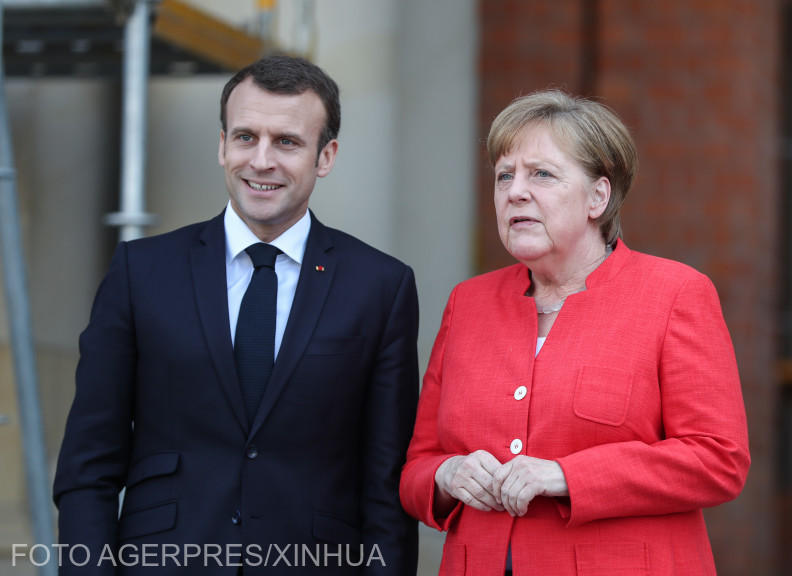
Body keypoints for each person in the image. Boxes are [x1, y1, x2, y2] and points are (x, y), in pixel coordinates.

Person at [53, 54, 419, 574]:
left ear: (326, 155)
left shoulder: (381, 286)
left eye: (287, 142)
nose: (261, 160)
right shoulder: (141, 271)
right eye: (246, 137)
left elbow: (386, 482)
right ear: (222, 145)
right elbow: (88, 464)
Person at [399, 89, 749, 575]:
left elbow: (718, 460)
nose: (515, 191)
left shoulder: (674, 294)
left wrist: (567, 475)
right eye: (505, 176)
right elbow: (418, 464)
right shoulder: (469, 303)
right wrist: (446, 474)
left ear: (598, 197)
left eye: (541, 174)